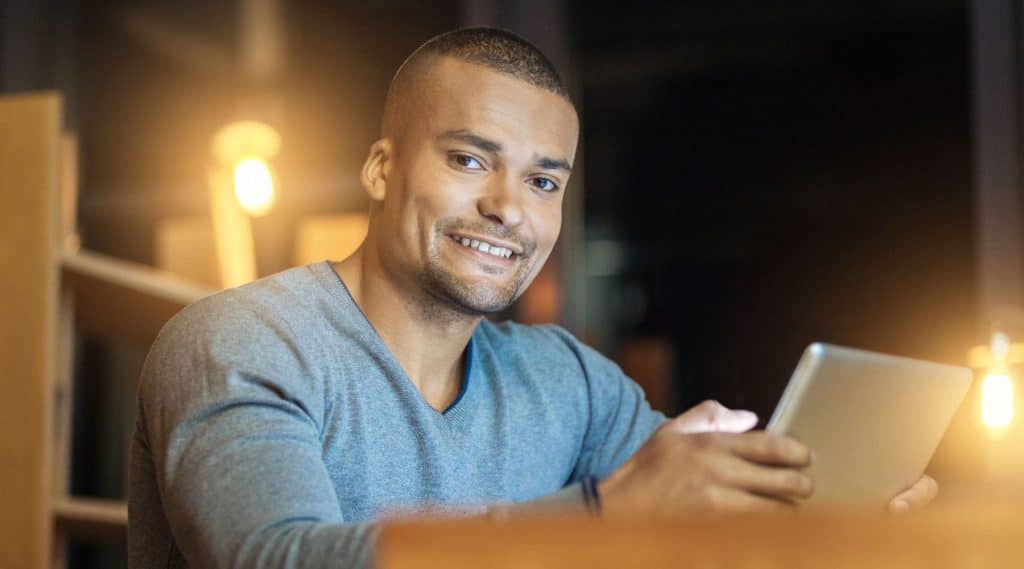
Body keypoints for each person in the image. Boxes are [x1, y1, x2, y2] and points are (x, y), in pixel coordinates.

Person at [127, 27, 937, 568]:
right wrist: (603, 516)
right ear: (380, 169)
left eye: (543, 179)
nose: (509, 206)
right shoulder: (239, 340)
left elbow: (703, 526)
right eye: (471, 160)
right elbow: (276, 557)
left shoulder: (566, 379)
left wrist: (829, 517)